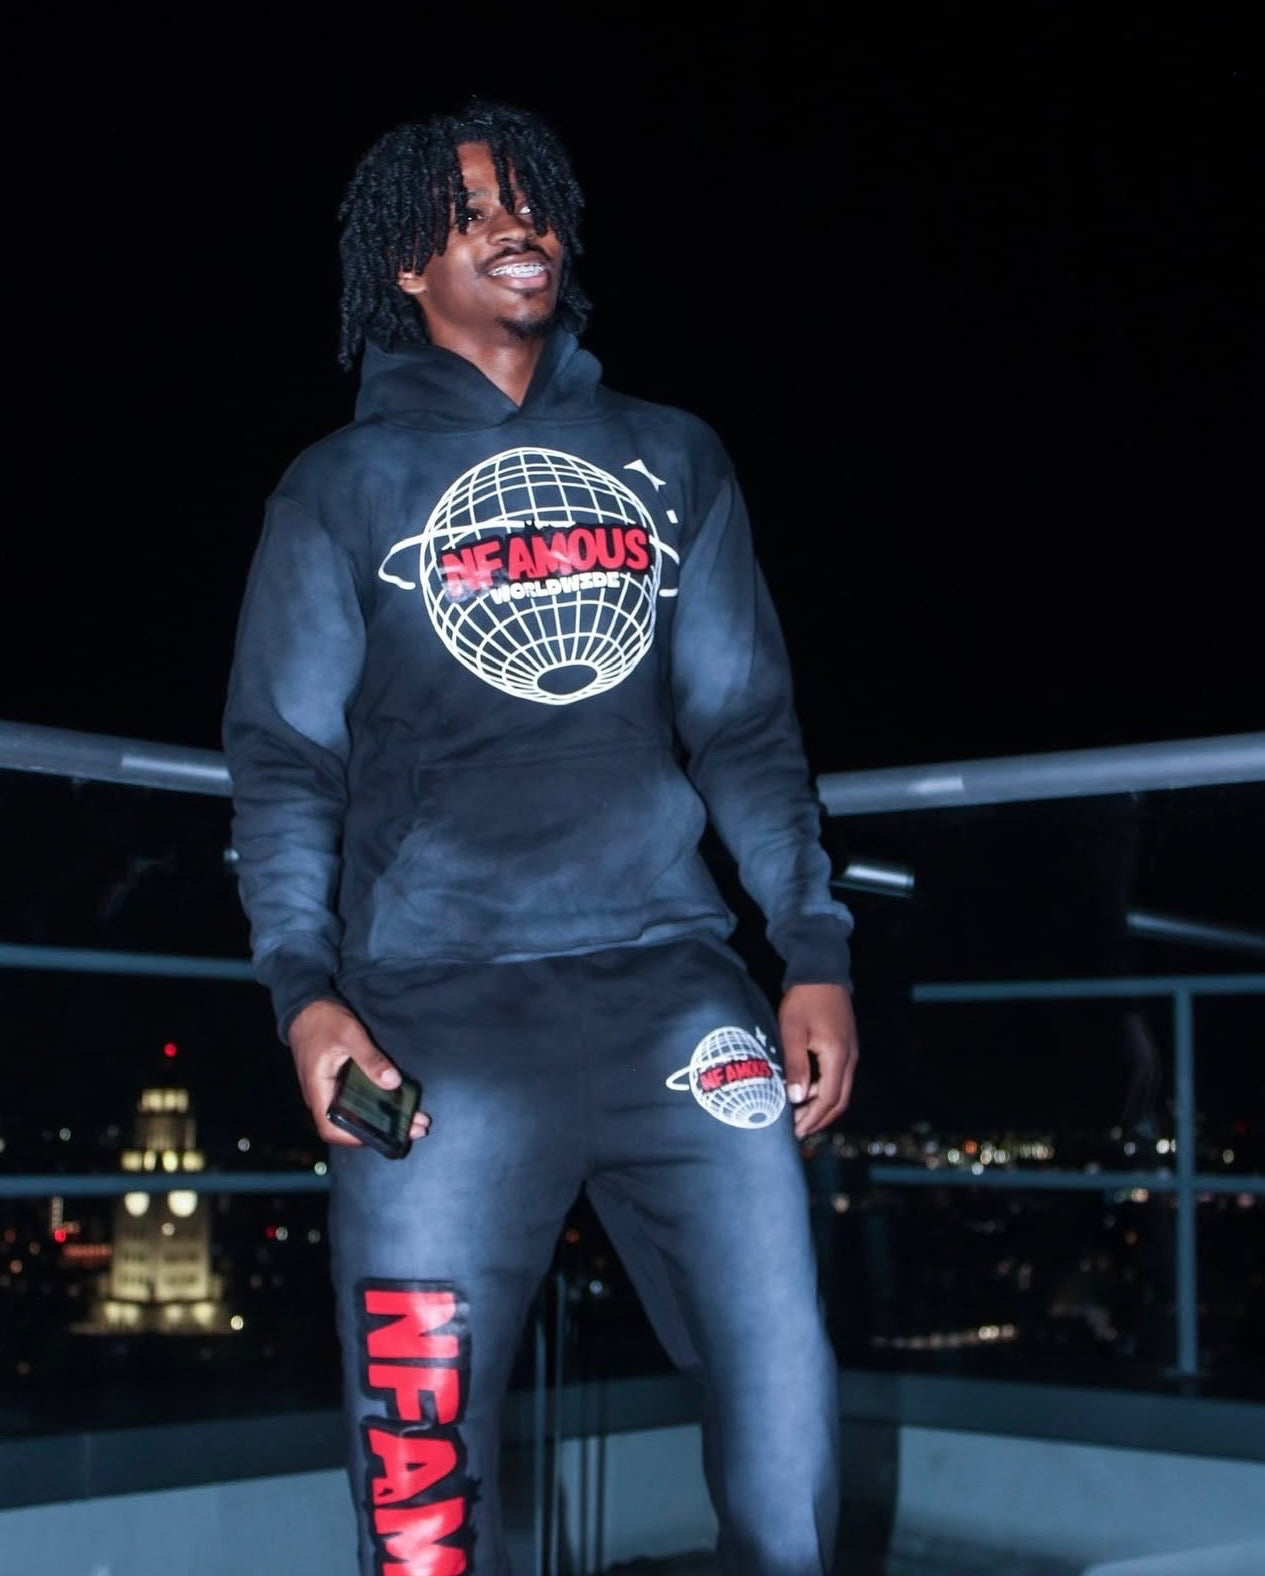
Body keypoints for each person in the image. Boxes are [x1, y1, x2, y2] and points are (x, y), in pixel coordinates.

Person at [223, 99, 858, 1576]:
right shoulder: (336, 490)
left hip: (677, 1004)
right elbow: (286, 764)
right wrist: (305, 997)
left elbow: (744, 727)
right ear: (403, 263)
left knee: (790, 1443)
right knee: (423, 1507)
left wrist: (813, 948)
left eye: (532, 202)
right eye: (471, 210)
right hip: (437, 1031)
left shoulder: (672, 457)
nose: (518, 226)